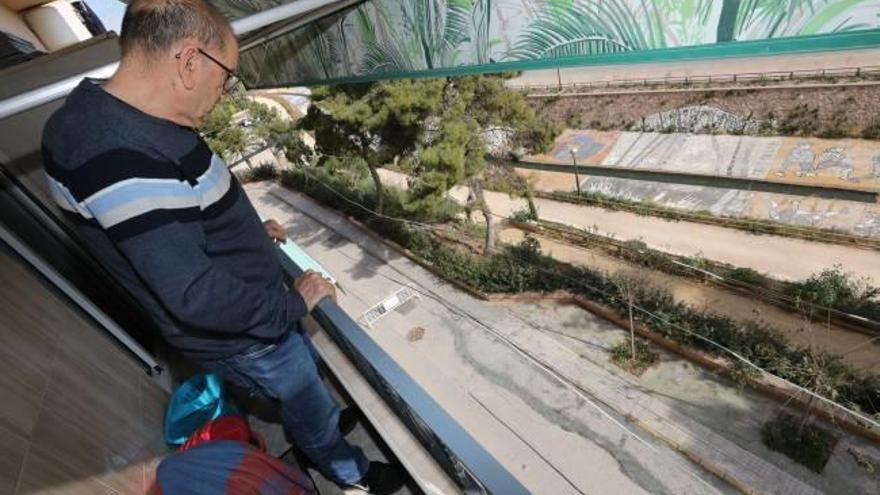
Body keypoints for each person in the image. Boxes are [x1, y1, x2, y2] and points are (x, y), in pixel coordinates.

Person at [41, 0, 403, 492]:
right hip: (247, 333)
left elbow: (177, 218)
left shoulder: (127, 120)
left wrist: (252, 233)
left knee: (304, 398)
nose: (225, 89)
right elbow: (198, 294)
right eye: (225, 74)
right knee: (302, 389)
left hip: (247, 318)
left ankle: (312, 424)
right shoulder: (113, 152)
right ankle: (348, 470)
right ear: (190, 61)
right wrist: (296, 300)